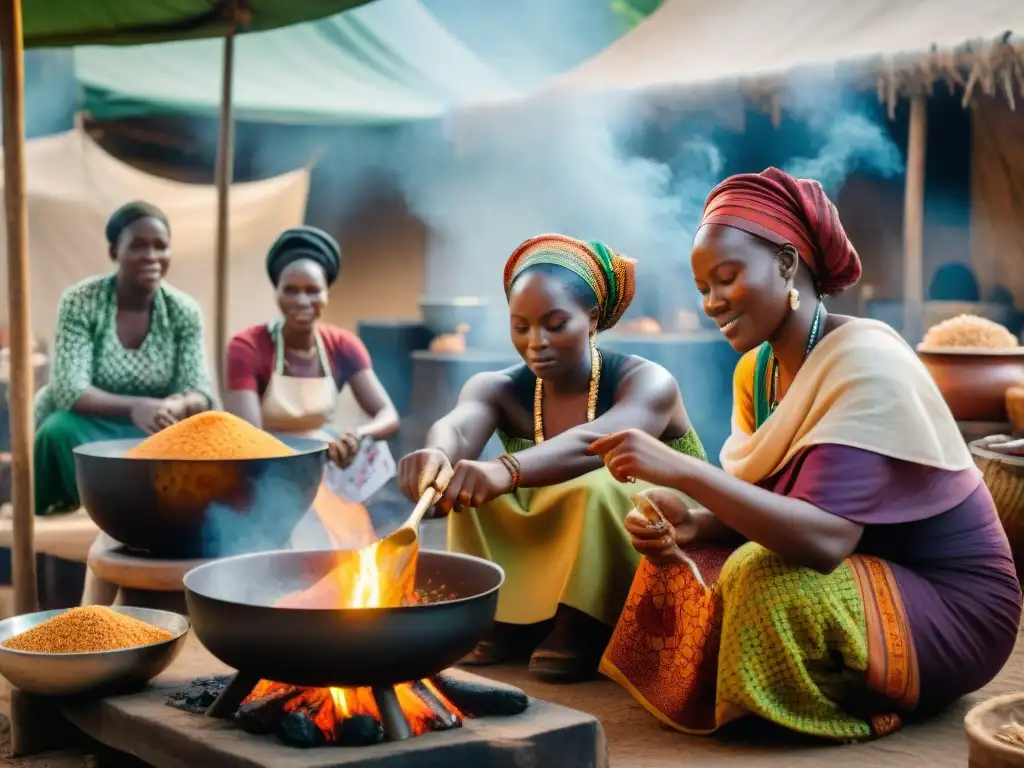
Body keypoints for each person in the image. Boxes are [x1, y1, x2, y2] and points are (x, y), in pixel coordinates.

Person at [588, 168, 1022, 741]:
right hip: (860, 565)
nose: (712, 303)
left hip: (953, 608)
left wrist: (686, 472)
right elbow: (777, 506)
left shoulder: (864, 364)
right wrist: (695, 525)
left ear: (788, 264)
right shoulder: (759, 372)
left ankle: (848, 699)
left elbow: (824, 540)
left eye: (726, 278)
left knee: (758, 574)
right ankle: (792, 678)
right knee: (688, 559)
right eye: (702, 289)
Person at [398, 234, 708, 683]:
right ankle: (502, 614)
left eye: (555, 324)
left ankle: (582, 623)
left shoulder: (646, 381)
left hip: (667, 520)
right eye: (520, 326)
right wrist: (437, 454)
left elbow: (598, 443)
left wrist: (504, 470)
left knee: (598, 483)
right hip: (561, 512)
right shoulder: (499, 387)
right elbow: (460, 424)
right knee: (466, 483)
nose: (535, 342)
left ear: (593, 318)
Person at [34, 201, 215, 515]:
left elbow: (201, 390)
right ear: (114, 252)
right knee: (56, 432)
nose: (152, 257)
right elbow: (69, 389)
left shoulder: (183, 311)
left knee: (209, 442)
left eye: (161, 246)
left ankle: (160, 518)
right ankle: (86, 513)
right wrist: (134, 406)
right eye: (139, 246)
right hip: (90, 425)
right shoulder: (81, 302)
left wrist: (177, 405)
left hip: (155, 428)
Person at [224, 226, 399, 469]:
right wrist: (314, 440)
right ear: (277, 293)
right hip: (264, 469)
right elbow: (248, 437)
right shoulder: (247, 346)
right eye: (291, 290)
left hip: (324, 465)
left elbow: (388, 414)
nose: (302, 301)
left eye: (312, 290)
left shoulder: (341, 345)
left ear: (326, 293)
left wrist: (357, 436)